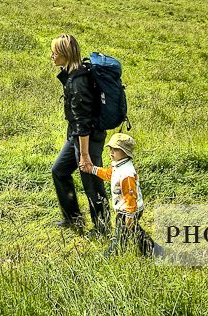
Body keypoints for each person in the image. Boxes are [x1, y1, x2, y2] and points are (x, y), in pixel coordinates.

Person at [50, 33, 110, 233]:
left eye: (55, 51)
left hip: (88, 138)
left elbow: (82, 122)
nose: (51, 55)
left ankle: (103, 228)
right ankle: (73, 219)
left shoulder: (77, 82)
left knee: (92, 182)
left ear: (65, 53)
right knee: (59, 170)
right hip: (77, 136)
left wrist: (84, 156)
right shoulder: (73, 74)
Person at [90, 133, 159, 257]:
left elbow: (130, 196)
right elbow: (109, 174)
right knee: (135, 231)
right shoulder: (118, 165)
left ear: (126, 152)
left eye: (116, 149)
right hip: (127, 209)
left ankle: (108, 256)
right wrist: (93, 169)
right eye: (110, 148)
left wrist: (129, 215)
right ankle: (152, 250)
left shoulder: (127, 173)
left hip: (128, 210)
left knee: (121, 237)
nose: (111, 152)